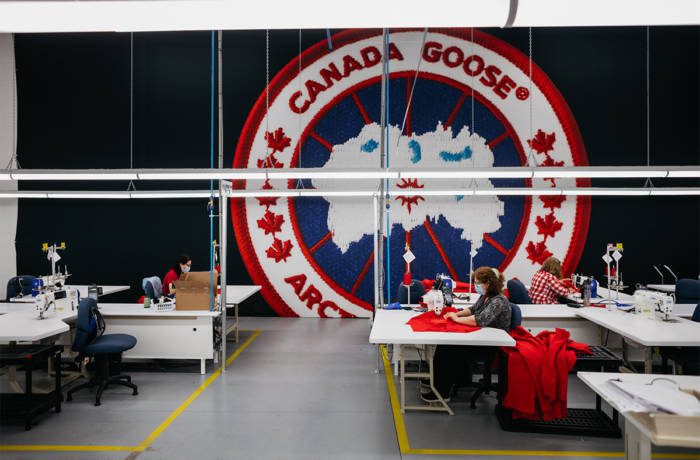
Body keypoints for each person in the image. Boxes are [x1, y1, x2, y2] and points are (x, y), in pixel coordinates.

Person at [421, 266, 511, 403]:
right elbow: (473, 309)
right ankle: (437, 381)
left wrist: (456, 319)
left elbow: (479, 320)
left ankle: (442, 392)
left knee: (449, 349)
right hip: (482, 337)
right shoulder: (486, 296)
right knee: (443, 345)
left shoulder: (498, 301)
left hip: (490, 344)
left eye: (477, 283)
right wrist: (455, 314)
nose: (475, 286)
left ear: (488, 283)